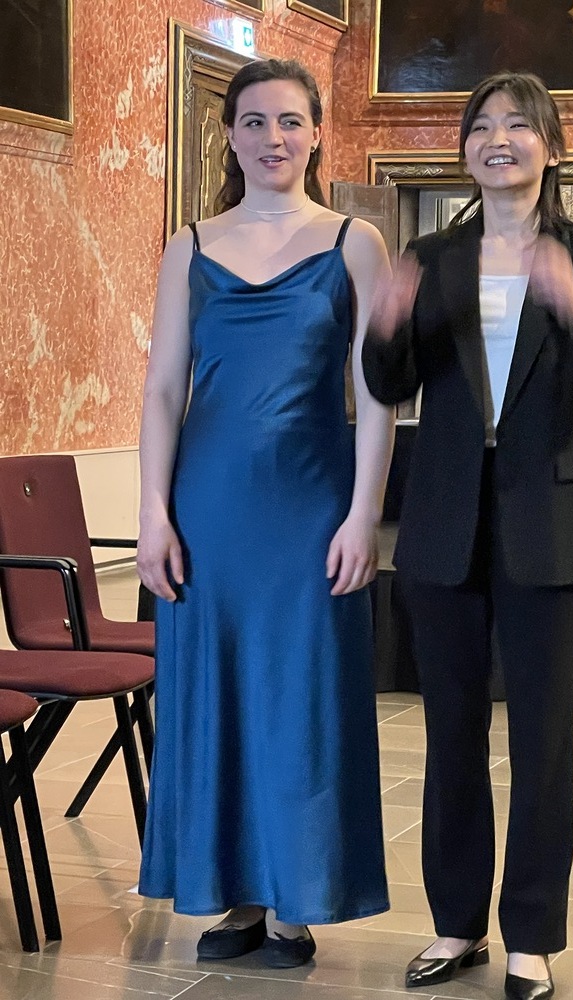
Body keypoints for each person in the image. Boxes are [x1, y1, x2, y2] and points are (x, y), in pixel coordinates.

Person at [362, 71, 573, 999]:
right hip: (446, 522)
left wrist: (570, 302)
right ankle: (455, 925)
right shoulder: (435, 255)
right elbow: (388, 380)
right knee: (451, 735)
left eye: (518, 126)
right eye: (481, 126)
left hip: (549, 523)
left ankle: (531, 938)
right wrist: (387, 322)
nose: (497, 139)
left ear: (551, 149)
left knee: (542, 742)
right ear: (465, 151)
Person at [136, 57, 394, 968]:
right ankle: (233, 897)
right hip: (207, 510)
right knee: (216, 695)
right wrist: (153, 513)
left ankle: (297, 898)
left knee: (302, 697)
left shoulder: (356, 242)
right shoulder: (189, 246)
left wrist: (364, 514)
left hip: (311, 506)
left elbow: (377, 392)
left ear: (317, 134)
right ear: (230, 136)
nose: (272, 138)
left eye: (289, 121)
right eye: (253, 121)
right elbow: (163, 390)